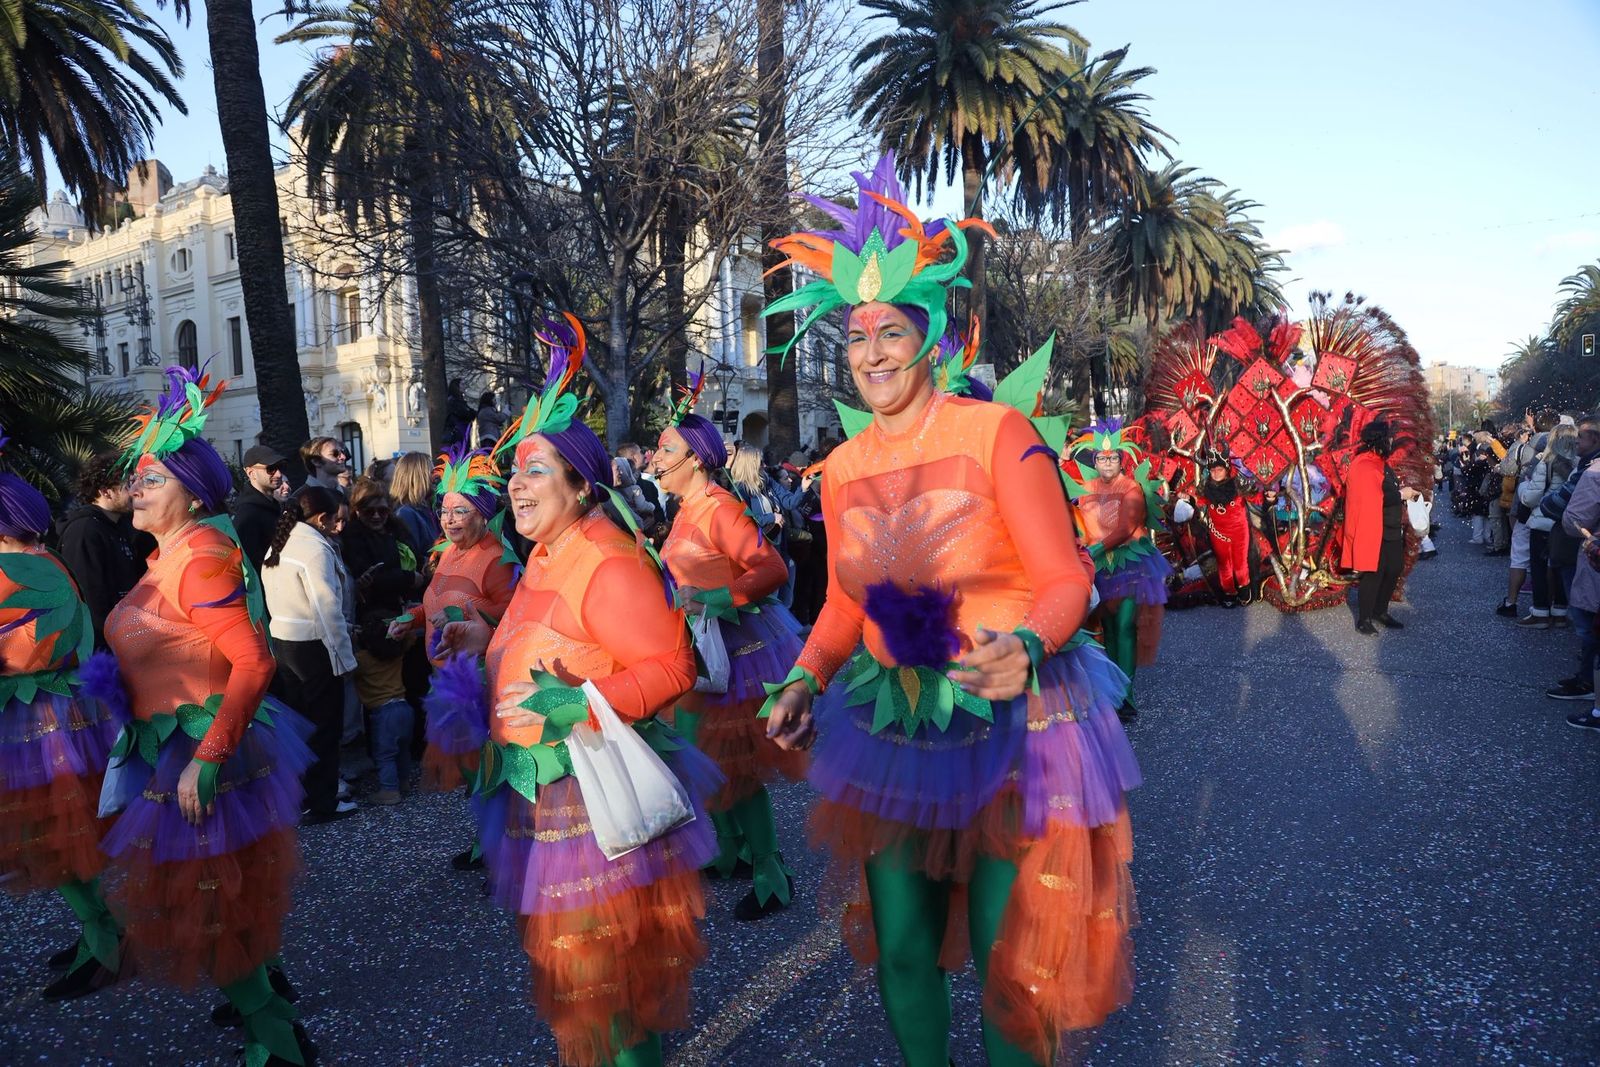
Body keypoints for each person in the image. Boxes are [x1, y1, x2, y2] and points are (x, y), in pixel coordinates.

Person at [761, 157, 1139, 1065]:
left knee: (1017, 966)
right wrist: (808, 676)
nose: (872, 352)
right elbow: (848, 596)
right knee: (900, 946)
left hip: (1015, 719)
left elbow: (1067, 578)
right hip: (895, 725)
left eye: (891, 330)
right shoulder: (843, 468)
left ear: (928, 337)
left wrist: (1028, 643)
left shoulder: (995, 433)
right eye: (855, 336)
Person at [437, 313, 721, 1067]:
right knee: (577, 986)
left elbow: (673, 668)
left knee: (610, 990)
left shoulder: (607, 558)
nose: (516, 485)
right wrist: (483, 643)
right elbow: (549, 639)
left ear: (579, 482)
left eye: (534, 470)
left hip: (591, 802)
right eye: (516, 471)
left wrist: (584, 706)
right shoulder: (545, 554)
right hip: (539, 796)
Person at [96, 368, 317, 1066]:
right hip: (176, 750)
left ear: (191, 492)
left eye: (153, 479)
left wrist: (209, 755)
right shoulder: (171, 555)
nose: (138, 487)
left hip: (201, 757)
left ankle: (277, 1045)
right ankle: (275, 1027)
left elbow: (254, 663)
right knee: (218, 909)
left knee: (211, 912)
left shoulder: (198, 561)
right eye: (138, 476)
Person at [654, 404, 807, 921]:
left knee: (738, 769)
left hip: (738, 657)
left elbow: (772, 569)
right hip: (703, 654)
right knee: (708, 762)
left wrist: (720, 597)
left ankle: (772, 872)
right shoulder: (684, 510)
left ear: (695, 461)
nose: (655, 459)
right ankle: (730, 848)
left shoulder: (719, 507)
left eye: (666, 450)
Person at [0, 430, 123, 1000]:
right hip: (57, 718)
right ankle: (98, 930)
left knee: (58, 837)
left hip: (39, 725)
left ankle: (105, 941)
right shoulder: (40, 559)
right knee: (60, 838)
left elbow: (37, 648)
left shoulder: (25, 568)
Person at [408, 443, 517, 869]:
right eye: (445, 511)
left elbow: (513, 616)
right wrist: (413, 618)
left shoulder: (497, 560)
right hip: (448, 677)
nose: (449, 520)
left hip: (482, 680)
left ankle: (505, 851)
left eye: (460, 512)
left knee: (493, 768)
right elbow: (438, 601)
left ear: (483, 514)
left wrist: (476, 616)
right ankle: (486, 841)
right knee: (474, 769)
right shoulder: (449, 551)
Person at [262, 485, 358, 824]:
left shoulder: (282, 540)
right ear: (321, 518)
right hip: (314, 644)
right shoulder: (314, 548)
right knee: (324, 727)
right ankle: (323, 801)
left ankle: (304, 796)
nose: (339, 526)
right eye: (334, 520)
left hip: (285, 641)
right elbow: (327, 607)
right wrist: (344, 658)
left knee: (301, 724)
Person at [1070, 419, 1172, 719]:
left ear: (1121, 459)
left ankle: (1125, 695)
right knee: (1109, 630)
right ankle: (1112, 691)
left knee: (1126, 627)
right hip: (1099, 566)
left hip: (1128, 563)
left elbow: (1127, 526)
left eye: (1112, 457)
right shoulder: (1085, 488)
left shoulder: (1131, 488)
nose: (1107, 463)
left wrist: (1095, 549)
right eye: (1101, 458)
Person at [343, 478, 429, 805]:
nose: (378, 515)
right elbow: (372, 577)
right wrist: (408, 579)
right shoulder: (354, 536)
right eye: (369, 510)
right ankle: (391, 777)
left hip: (402, 613)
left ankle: (399, 775)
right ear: (357, 510)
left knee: (408, 681)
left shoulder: (396, 528)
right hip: (376, 620)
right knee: (382, 698)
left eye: (382, 509)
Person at [55, 450, 149, 648]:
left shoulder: (121, 526)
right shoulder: (84, 531)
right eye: (127, 485)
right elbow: (90, 598)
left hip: (125, 636)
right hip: (102, 648)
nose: (135, 491)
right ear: (106, 491)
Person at [1341, 420, 1417, 634]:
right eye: (1389, 437)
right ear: (1380, 440)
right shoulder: (1364, 463)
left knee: (1393, 569)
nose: (1392, 441)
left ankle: (1380, 610)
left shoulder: (1379, 463)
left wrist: (1400, 493)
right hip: (1374, 527)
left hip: (1389, 526)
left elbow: (1382, 492)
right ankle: (1364, 618)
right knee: (1372, 574)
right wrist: (1401, 494)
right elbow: (1373, 497)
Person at [1518, 424, 1576, 628]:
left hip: (1543, 522)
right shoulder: (1578, 464)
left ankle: (1541, 611)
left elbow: (1532, 497)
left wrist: (1523, 489)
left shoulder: (1546, 462)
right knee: (1561, 566)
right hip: (1565, 523)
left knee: (1539, 568)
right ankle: (1561, 611)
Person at [1193, 453, 1252, 607]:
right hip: (1218, 532)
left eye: (1219, 470)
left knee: (1240, 565)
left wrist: (1269, 496)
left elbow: (1255, 496)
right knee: (1224, 565)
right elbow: (1198, 502)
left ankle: (1244, 591)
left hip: (1239, 531)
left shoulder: (1237, 485)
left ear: (1226, 470)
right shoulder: (1205, 487)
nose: (1216, 473)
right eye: (1212, 470)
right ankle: (1229, 593)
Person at [234, 444, 287, 573]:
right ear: (251, 472)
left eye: (280, 467)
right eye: (271, 469)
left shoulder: (273, 505)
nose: (279, 474)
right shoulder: (248, 513)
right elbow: (250, 563)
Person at [389, 451, 440, 557]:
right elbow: (414, 559)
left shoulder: (429, 508)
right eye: (432, 472)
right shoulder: (405, 514)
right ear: (417, 477)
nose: (437, 476)